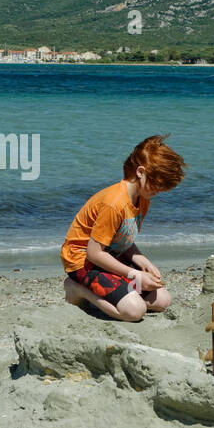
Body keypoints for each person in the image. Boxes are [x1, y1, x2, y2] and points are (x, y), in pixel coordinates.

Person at [62, 134, 186, 320]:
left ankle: (121, 294)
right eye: (157, 185)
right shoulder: (114, 204)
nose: (158, 191)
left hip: (109, 256)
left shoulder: (143, 199)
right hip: (82, 261)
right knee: (135, 311)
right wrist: (134, 273)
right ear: (140, 172)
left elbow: (123, 240)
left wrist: (143, 261)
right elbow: (94, 253)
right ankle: (77, 289)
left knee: (163, 301)